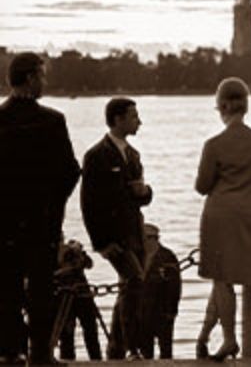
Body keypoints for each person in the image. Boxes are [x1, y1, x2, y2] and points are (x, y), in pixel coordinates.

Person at [0, 52, 80, 365]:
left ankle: (9, 351)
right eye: (42, 76)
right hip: (42, 222)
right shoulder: (52, 121)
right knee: (42, 290)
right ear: (31, 78)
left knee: (6, 287)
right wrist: (52, 206)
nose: (44, 82)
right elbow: (70, 172)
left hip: (5, 222)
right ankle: (41, 353)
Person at [195, 77, 251, 361]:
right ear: (246, 106)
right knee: (226, 279)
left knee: (221, 279)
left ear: (222, 107)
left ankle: (229, 339)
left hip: (219, 215)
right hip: (248, 215)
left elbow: (202, 186)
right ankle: (204, 336)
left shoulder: (214, 145)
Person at [80, 97, 152, 361]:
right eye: (134, 117)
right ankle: (133, 348)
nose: (139, 122)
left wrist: (145, 192)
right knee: (134, 281)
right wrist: (100, 243)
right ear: (118, 119)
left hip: (135, 233)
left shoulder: (133, 155)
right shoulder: (96, 156)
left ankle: (115, 350)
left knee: (128, 289)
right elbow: (88, 203)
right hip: (114, 237)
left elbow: (140, 199)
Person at [56, 239, 102, 361]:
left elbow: (89, 264)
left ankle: (95, 358)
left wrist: (80, 254)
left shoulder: (73, 251)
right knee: (67, 332)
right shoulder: (53, 253)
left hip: (82, 293)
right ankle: (68, 358)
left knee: (90, 328)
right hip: (65, 294)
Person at [140, 223, 181, 359]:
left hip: (163, 310)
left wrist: (172, 310)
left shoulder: (167, 256)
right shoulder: (139, 256)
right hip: (144, 310)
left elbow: (175, 286)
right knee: (146, 350)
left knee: (165, 349)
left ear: (153, 238)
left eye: (144, 238)